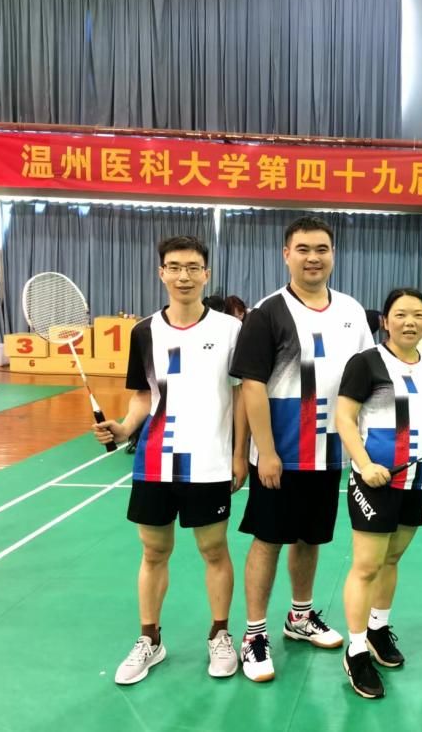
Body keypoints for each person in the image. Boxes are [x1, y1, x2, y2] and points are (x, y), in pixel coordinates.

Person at [93, 236, 247, 685]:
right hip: (155, 461)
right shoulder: (144, 332)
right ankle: (150, 639)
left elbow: (241, 395)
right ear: (161, 273)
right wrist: (125, 428)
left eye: (193, 267)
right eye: (175, 267)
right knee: (154, 551)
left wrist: (240, 453)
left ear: (206, 274)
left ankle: (220, 634)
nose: (184, 276)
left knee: (213, 550)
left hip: (210, 460)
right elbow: (144, 394)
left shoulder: (230, 330)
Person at [229, 216, 374, 682]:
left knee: (310, 538)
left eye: (322, 249)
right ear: (286, 254)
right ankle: (254, 634)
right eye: (304, 249)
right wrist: (265, 451)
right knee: (269, 540)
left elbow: (366, 378)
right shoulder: (266, 313)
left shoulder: (352, 310)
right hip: (281, 453)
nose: (313, 258)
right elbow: (252, 386)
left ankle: (300, 615)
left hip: (329, 452)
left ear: (333, 254)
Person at [335, 288, 422, 699]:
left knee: (392, 558)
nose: (409, 322)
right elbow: (344, 417)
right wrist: (364, 464)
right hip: (376, 480)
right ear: (385, 321)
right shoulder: (366, 363)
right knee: (367, 565)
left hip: (417, 481)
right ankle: (356, 649)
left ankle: (377, 629)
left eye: (418, 314)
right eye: (400, 314)